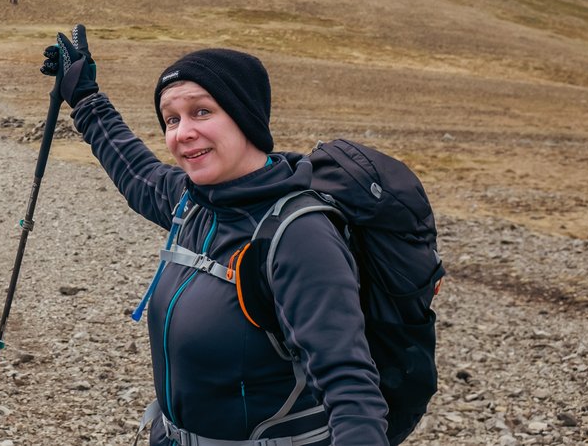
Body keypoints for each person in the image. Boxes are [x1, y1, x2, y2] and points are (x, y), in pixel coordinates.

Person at [40, 26, 388, 446]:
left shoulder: (299, 235)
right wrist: (86, 98)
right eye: (171, 119)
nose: (182, 132)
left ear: (245, 116)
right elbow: (134, 170)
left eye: (202, 112)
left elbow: (351, 390)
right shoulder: (193, 205)